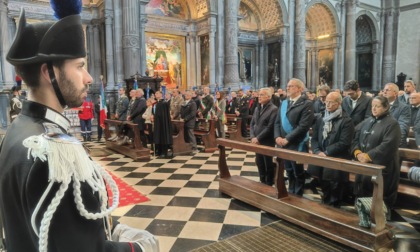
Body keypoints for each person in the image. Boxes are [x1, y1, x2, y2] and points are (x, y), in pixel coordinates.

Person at [0, 4, 158, 252]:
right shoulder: (54, 153)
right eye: (80, 66)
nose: (89, 77)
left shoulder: (18, 129)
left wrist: (108, 228)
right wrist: (141, 247)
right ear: (48, 72)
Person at [352, 96, 401, 215]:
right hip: (364, 166)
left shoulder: (392, 124)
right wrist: (357, 153)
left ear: (385, 107)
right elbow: (354, 138)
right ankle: (363, 221)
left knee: (378, 200)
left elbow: (388, 145)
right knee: (363, 197)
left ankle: (379, 224)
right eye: (372, 106)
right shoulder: (367, 121)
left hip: (382, 167)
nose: (373, 109)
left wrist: (368, 156)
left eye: (377, 106)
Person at [307, 92, 354, 207]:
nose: (327, 104)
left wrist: (327, 152)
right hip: (321, 157)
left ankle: (333, 209)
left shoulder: (346, 120)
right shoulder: (321, 117)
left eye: (331, 102)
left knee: (335, 186)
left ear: (339, 103)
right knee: (324, 184)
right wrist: (317, 151)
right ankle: (325, 206)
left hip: (336, 158)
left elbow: (344, 142)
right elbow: (314, 138)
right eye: (326, 101)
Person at [274, 78, 314, 196]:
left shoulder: (306, 104)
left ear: (300, 89)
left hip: (297, 143)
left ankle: (298, 195)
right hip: (283, 143)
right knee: (289, 171)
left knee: (298, 171)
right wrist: (277, 137)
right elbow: (277, 122)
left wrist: (287, 139)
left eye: (291, 86)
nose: (288, 88)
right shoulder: (284, 103)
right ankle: (290, 193)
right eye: (288, 85)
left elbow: (303, 126)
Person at [250, 88, 278, 185]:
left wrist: (258, 138)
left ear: (269, 97)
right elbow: (252, 123)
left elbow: (270, 127)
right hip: (257, 141)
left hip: (267, 141)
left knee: (268, 164)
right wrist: (253, 136)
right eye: (259, 94)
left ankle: (269, 182)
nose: (259, 96)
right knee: (259, 162)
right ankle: (262, 181)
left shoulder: (273, 109)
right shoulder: (258, 108)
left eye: (262, 95)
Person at [382, 83, 410, 148]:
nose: (384, 92)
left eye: (387, 90)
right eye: (384, 90)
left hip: (394, 144)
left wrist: (391, 143)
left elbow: (402, 128)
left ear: (395, 93)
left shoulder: (404, 108)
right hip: (380, 142)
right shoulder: (379, 106)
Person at [152, 90, 173, 158]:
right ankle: (159, 151)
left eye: (157, 93)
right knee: (158, 136)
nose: (155, 94)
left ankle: (164, 151)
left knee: (163, 136)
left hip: (163, 123)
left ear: (161, 94)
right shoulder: (156, 103)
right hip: (157, 123)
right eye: (155, 93)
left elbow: (164, 115)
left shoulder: (164, 103)